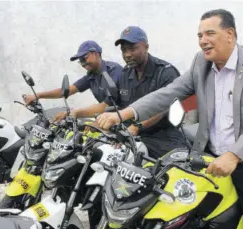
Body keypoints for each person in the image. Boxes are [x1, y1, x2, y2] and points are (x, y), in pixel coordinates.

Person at [96, 9, 243, 229]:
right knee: (175, 211)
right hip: (209, 155)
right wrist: (124, 114)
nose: (203, 40)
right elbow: (168, 93)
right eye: (200, 35)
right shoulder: (201, 63)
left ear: (230, 34)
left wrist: (234, 154)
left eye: (210, 33)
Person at [68, 26, 187, 158]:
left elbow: (162, 108)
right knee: (94, 154)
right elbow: (109, 104)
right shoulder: (126, 73)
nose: (127, 54)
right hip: (131, 135)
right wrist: (93, 119)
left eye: (133, 49)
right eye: (124, 50)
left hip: (163, 138)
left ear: (146, 47)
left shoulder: (165, 72)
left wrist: (137, 128)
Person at [22, 40, 122, 120]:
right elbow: (67, 90)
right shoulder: (92, 76)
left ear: (96, 54)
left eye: (84, 58)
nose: (83, 64)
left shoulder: (113, 71)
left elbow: (106, 106)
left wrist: (74, 112)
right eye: (81, 61)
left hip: (125, 121)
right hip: (108, 118)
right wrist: (37, 95)